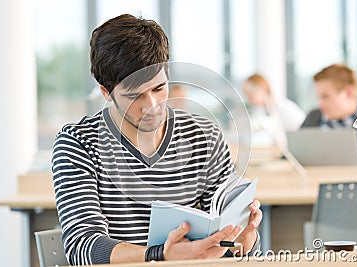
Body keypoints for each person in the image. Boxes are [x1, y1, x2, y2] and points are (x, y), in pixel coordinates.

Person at [52, 14, 262, 265]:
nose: (151, 106)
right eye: (135, 96)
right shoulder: (78, 144)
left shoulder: (204, 136)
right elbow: (82, 248)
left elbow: (223, 240)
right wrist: (158, 255)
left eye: (159, 88)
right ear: (106, 93)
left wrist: (242, 243)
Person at [301, 63, 357, 164]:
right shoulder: (314, 117)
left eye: (326, 96)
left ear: (349, 92)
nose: (321, 105)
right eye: (319, 98)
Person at [242, 74, 305, 147]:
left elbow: (297, 132)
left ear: (262, 88)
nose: (249, 99)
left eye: (251, 94)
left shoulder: (284, 107)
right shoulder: (264, 109)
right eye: (247, 95)